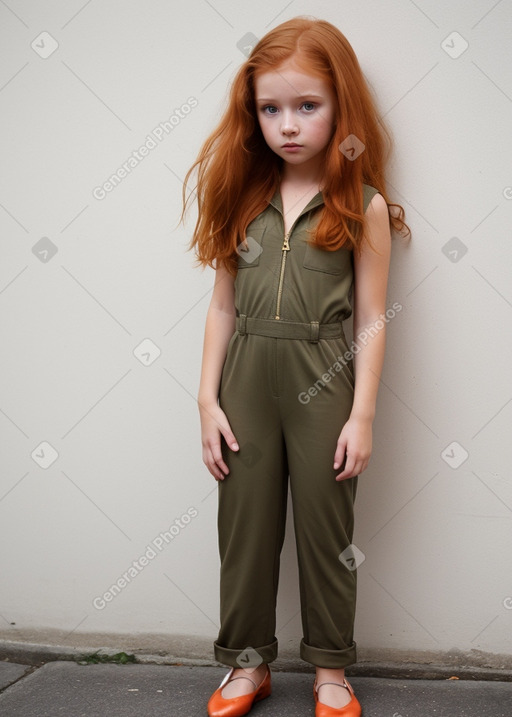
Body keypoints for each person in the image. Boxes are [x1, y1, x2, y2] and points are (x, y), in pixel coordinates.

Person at [180, 15, 410, 717]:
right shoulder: (242, 197)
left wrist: (362, 413)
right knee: (244, 529)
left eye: (307, 106)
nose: (287, 124)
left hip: (325, 384)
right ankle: (247, 665)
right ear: (253, 114)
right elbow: (222, 305)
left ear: (341, 105)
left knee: (326, 531)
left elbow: (372, 318)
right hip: (245, 379)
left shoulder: (361, 207)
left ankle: (331, 667)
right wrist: (206, 398)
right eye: (270, 108)